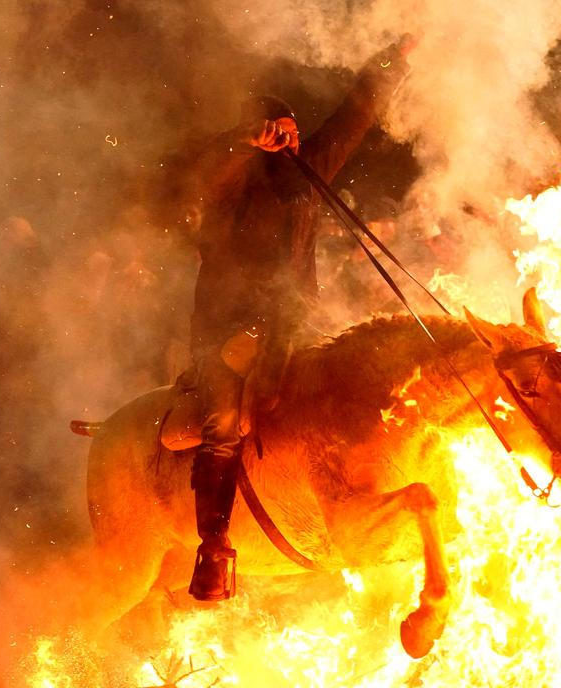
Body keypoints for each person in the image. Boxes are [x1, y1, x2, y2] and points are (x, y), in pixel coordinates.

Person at [183, 35, 417, 601]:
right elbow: (200, 169)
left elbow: (355, 113)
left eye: (289, 129)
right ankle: (214, 547)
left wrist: (394, 57)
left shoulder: (309, 166)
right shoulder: (228, 180)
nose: (286, 139)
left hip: (297, 318)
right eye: (274, 132)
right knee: (222, 419)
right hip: (230, 324)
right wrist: (242, 141)